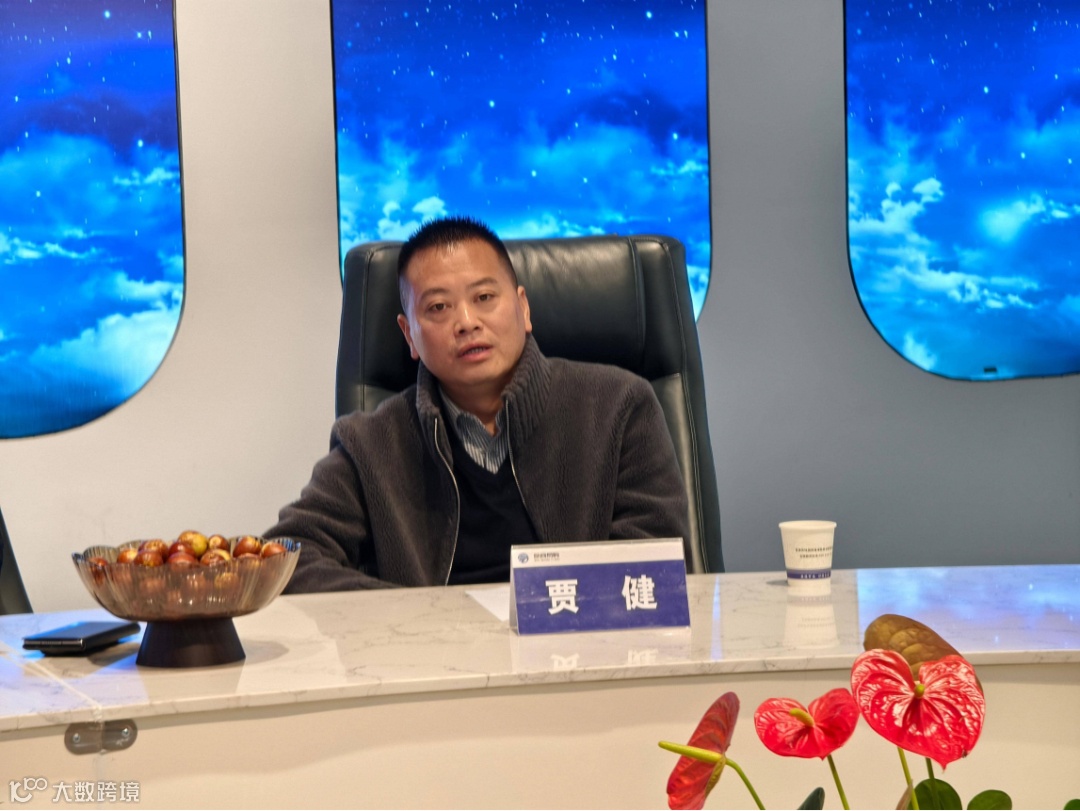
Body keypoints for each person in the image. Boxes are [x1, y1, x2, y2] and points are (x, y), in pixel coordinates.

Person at [268, 216, 689, 591]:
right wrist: (414, 618)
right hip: (431, 652)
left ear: (523, 308)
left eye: (485, 297)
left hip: (581, 646)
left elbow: (655, 563)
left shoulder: (619, 406)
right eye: (438, 307)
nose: (467, 322)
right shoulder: (369, 444)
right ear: (409, 335)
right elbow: (287, 556)